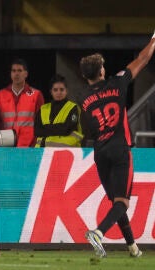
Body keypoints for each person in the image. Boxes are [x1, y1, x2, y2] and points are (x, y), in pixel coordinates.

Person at [78, 32, 155, 258]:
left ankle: (132, 247)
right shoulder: (118, 82)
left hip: (100, 152)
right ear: (102, 71)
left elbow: (89, 130)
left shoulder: (83, 100)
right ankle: (99, 233)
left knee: (116, 202)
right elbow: (142, 59)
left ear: (85, 77)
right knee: (122, 203)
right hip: (120, 148)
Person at [0, 58, 44, 147]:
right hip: (5, 143)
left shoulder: (36, 95)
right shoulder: (0, 95)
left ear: (26, 74)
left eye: (20, 70)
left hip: (28, 144)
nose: (16, 73)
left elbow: (41, 122)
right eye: (14, 71)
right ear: (11, 74)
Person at [34, 74, 83, 147]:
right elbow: (37, 131)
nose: (59, 92)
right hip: (43, 153)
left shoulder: (73, 108)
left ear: (66, 91)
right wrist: (59, 127)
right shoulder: (43, 108)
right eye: (55, 90)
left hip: (67, 153)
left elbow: (66, 129)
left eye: (62, 89)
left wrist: (46, 127)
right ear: (51, 92)